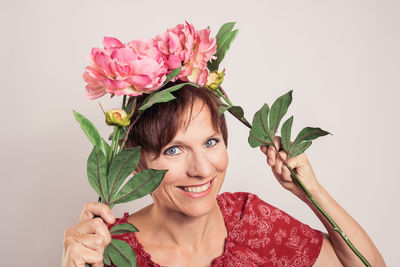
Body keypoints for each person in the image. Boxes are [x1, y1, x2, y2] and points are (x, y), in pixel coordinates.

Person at [62, 84, 385, 266]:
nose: (202, 169)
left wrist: (309, 190)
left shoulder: (251, 220)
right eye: (173, 149)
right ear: (135, 161)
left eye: (211, 142)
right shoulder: (109, 250)